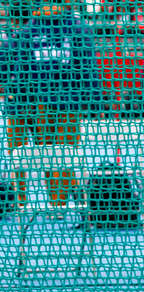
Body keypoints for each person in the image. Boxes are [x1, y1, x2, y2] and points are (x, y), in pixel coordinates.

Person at [0, 1, 100, 210]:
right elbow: (10, 57)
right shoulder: (29, 27)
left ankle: (57, 204)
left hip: (62, 101)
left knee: (61, 154)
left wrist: (92, 96)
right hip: (31, 102)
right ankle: (25, 203)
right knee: (35, 153)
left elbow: (88, 63)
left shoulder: (76, 27)